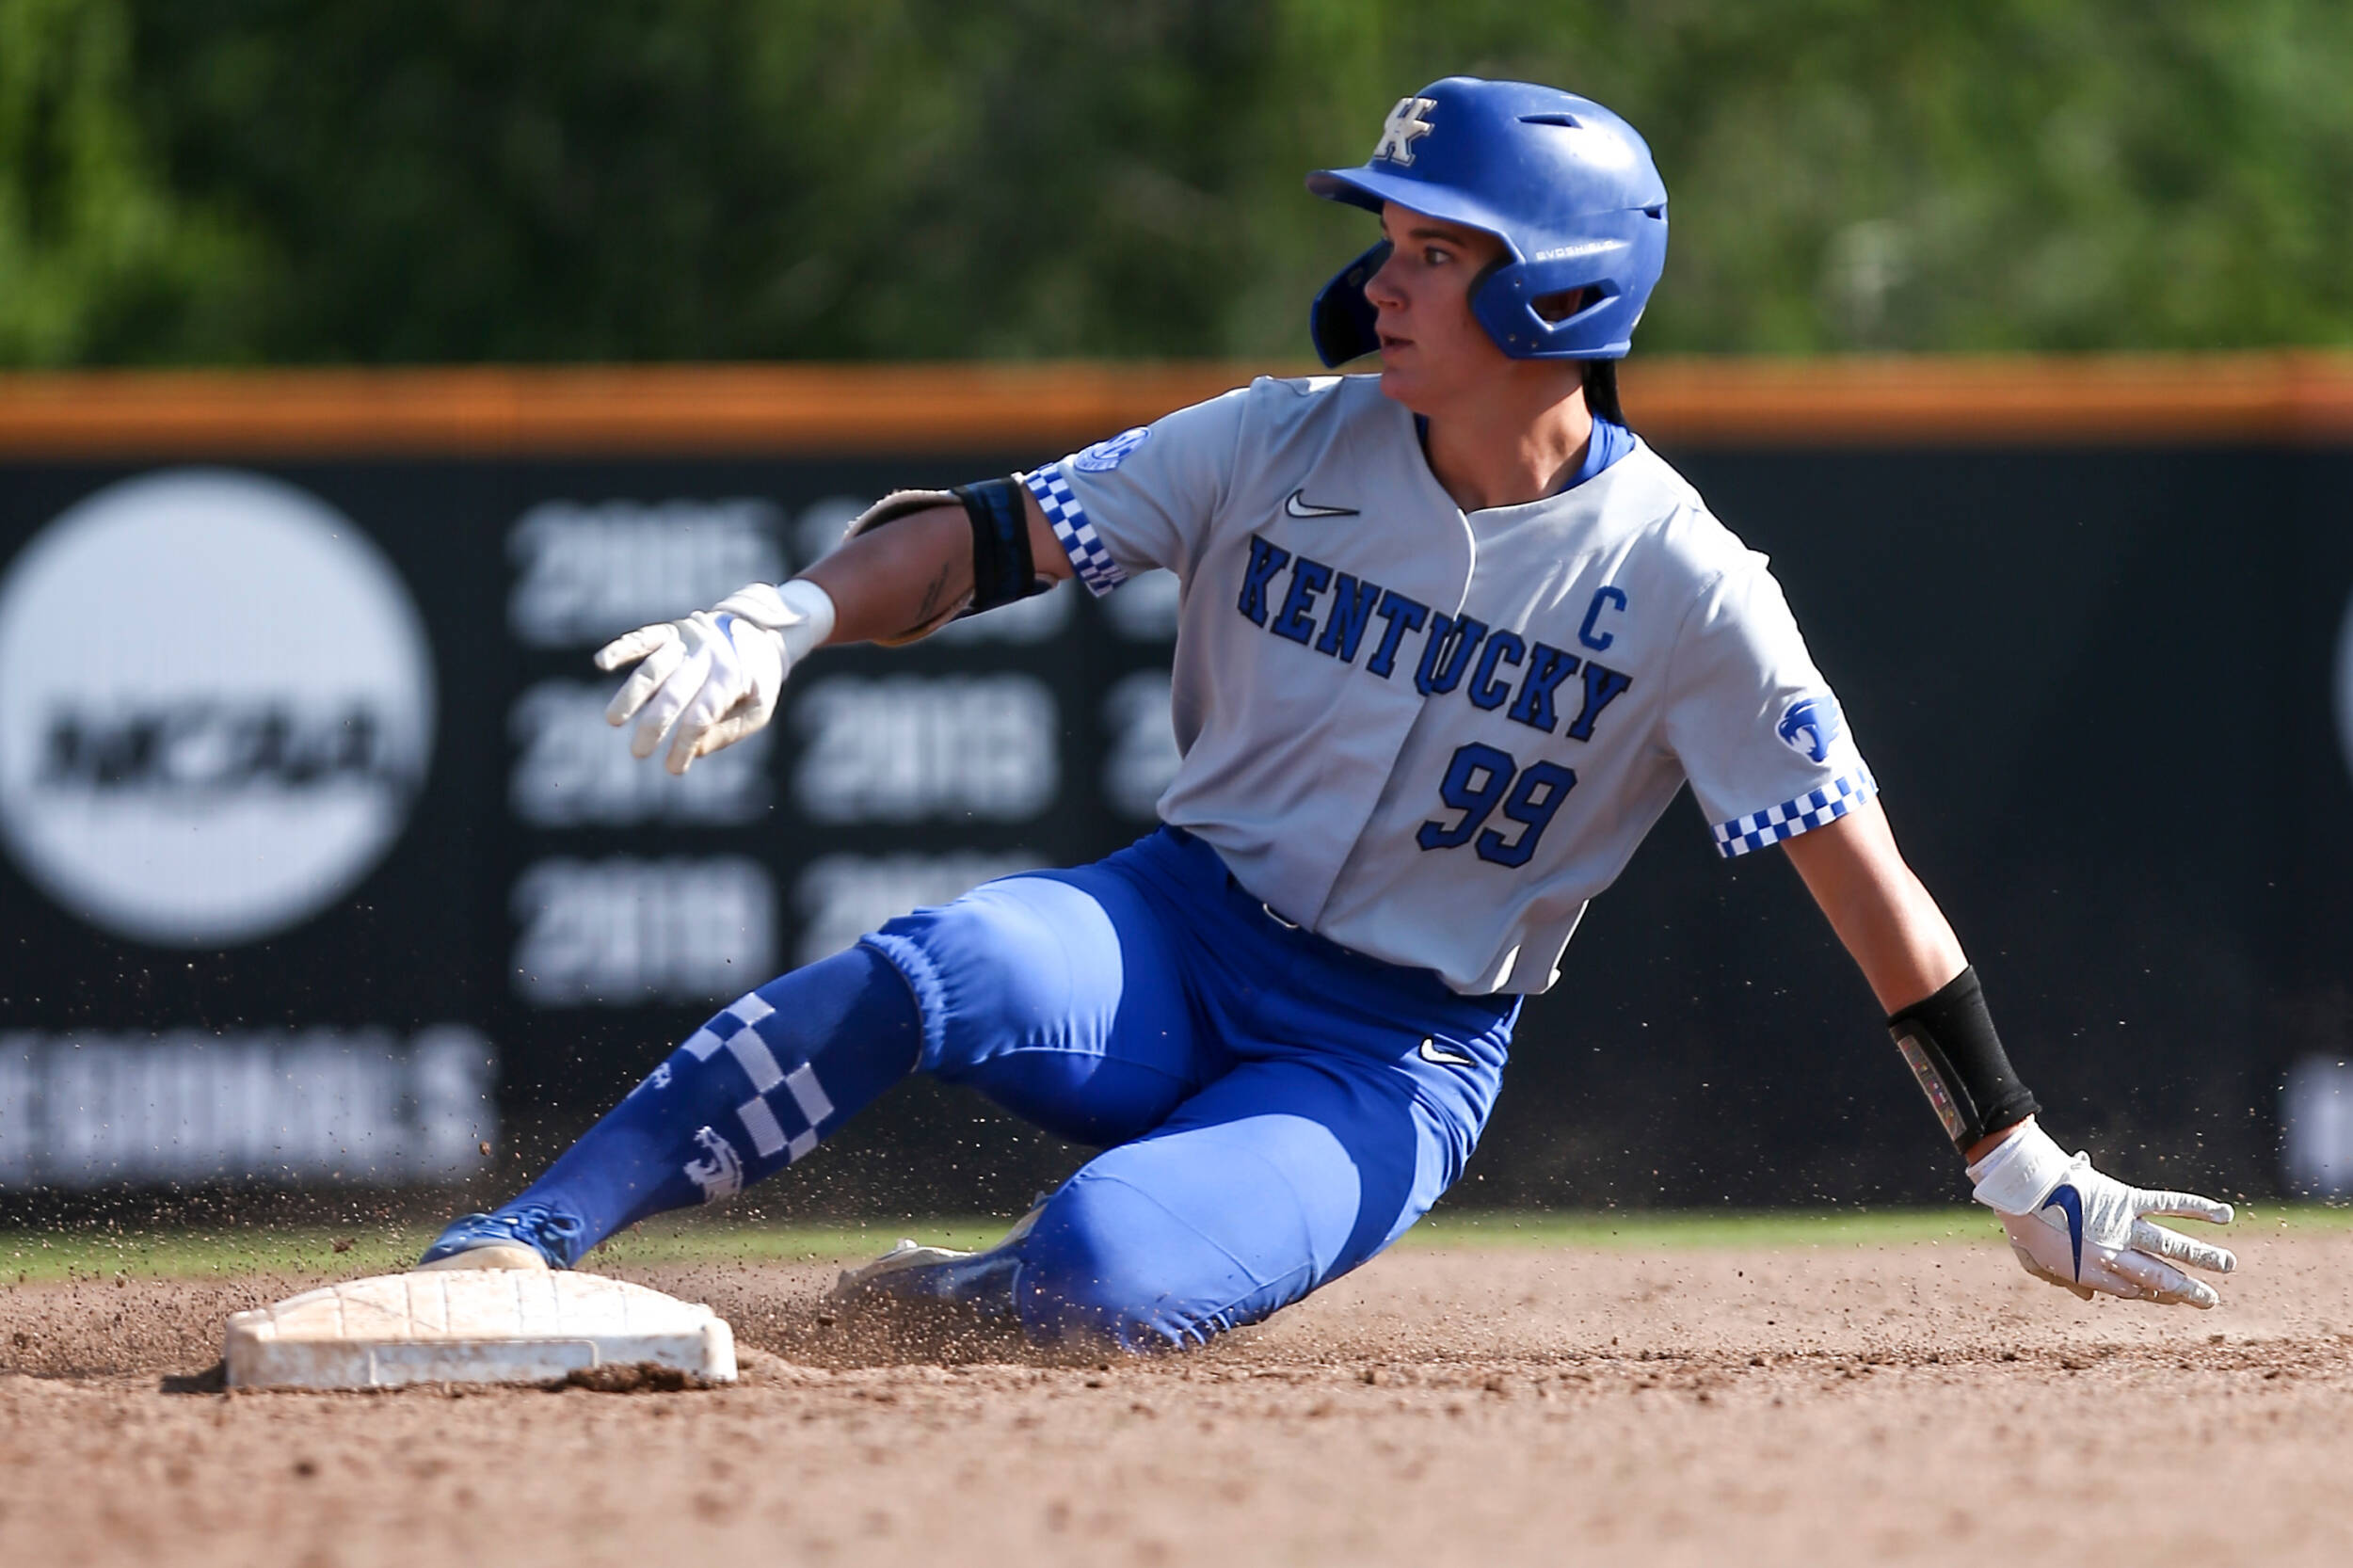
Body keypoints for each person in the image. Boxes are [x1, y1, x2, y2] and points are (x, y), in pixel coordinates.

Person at [418, 77, 2236, 1350]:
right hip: (1177, 925)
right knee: (933, 969)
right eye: (1392, 235)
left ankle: (968, 1289)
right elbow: (974, 539)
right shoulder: (1280, 435)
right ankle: (519, 1240)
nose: (1383, 273)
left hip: (1392, 1057)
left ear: (1565, 287)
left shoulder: (1689, 584)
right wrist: (794, 612)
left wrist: (2017, 1162)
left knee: (1102, 1281)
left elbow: (1866, 881)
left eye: (1435, 249)